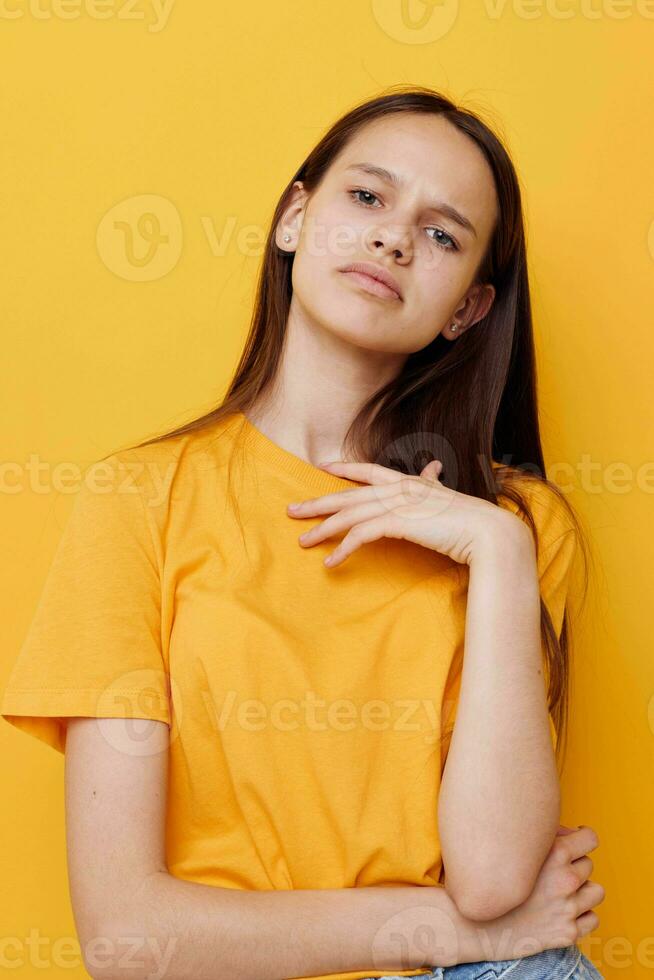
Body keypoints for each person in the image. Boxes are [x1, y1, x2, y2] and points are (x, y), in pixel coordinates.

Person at [0, 86, 605, 980]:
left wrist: (502, 557)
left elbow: (494, 880)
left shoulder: (512, 528)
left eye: (441, 234)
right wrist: (456, 933)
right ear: (294, 219)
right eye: (367, 197)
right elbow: (127, 939)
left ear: (467, 312)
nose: (395, 238)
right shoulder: (142, 498)